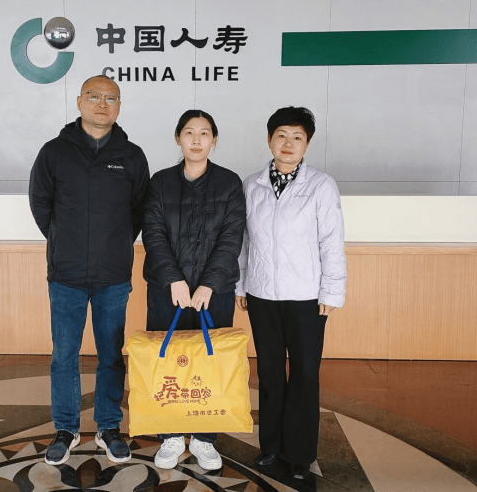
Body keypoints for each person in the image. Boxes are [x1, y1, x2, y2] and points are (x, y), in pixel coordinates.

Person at [29, 75, 150, 466]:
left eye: (111, 98)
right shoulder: (54, 152)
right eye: (94, 96)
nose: (102, 104)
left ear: (119, 106)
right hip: (66, 275)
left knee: (111, 355)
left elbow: (138, 210)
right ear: (80, 101)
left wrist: (114, 242)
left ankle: (108, 427)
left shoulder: (132, 155)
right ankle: (65, 429)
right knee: (64, 355)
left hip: (112, 275)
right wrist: (63, 239)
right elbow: (41, 204)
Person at [235, 106, 346, 480]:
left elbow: (331, 241)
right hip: (262, 294)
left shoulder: (321, 185)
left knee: (304, 374)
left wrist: (332, 291)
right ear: (269, 140)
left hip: (306, 297)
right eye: (281, 135)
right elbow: (243, 242)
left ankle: (299, 453)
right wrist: (241, 284)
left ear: (307, 144)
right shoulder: (252, 185)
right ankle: (270, 446)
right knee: (268, 373)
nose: (288, 143)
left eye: (297, 137)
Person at [141, 109, 246, 471]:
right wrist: (173, 278)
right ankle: (170, 435)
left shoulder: (229, 183)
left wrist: (209, 284)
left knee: (210, 362)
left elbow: (231, 237)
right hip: (165, 290)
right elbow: (153, 233)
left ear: (214, 140)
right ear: (178, 138)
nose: (196, 139)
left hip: (214, 293)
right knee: (168, 360)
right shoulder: (160, 182)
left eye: (204, 133)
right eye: (189, 132)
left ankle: (204, 438)